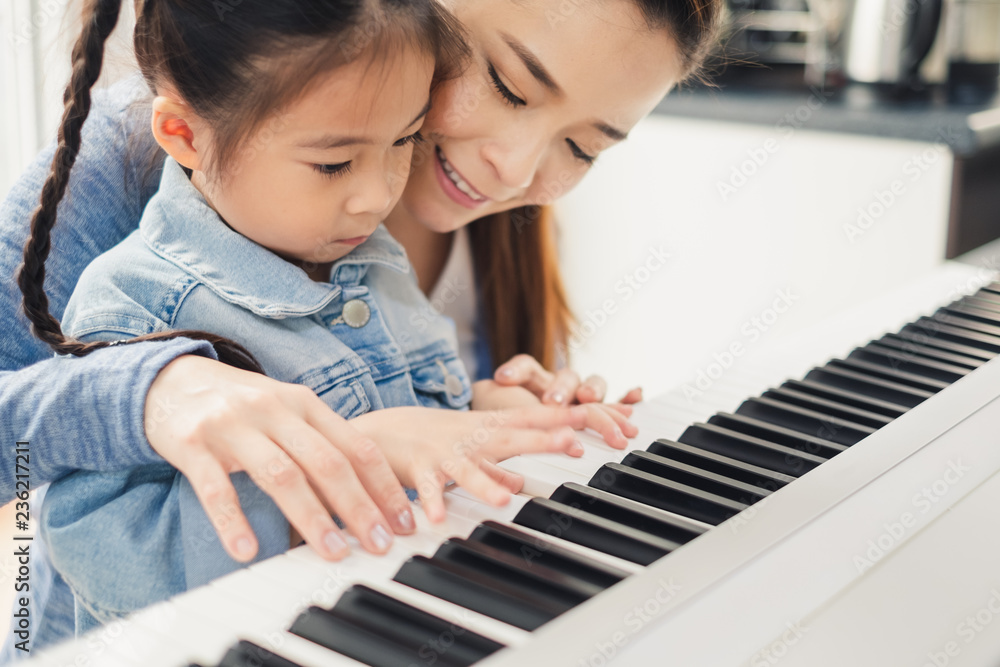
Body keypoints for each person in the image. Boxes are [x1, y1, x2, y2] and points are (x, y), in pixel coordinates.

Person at [0, 0, 720, 655]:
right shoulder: (132, 163)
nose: (514, 169)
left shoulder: (450, 230)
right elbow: (71, 521)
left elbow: (419, 451)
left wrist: (491, 420)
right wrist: (141, 392)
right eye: (507, 84)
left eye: (584, 147)